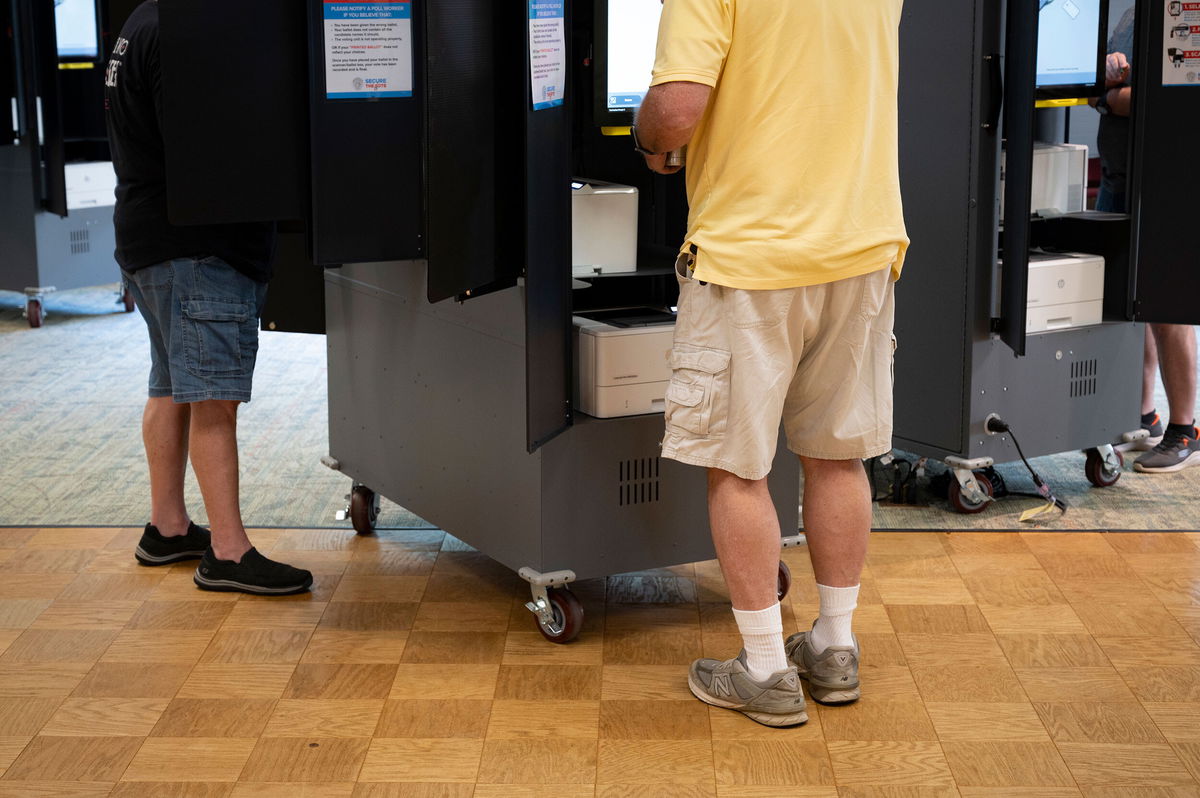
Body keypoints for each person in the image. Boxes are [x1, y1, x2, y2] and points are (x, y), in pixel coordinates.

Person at [632, 0, 908, 726]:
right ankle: (835, 646)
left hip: (753, 253)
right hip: (862, 243)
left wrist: (647, 135)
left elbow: (677, 111)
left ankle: (763, 669)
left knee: (738, 466)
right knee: (838, 457)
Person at [105, 0, 313, 594]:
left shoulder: (146, 19)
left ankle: (167, 528)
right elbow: (213, 149)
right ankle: (227, 552)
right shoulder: (192, 31)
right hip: (196, 251)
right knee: (213, 401)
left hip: (150, 238)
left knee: (170, 384)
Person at [1093, 7, 1200, 473]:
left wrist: (1113, 96)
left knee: (1166, 304)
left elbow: (1174, 97)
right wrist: (1109, 81)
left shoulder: (1189, 13)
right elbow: (1104, 84)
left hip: (1167, 176)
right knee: (1128, 299)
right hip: (1121, 174)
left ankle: (1185, 430)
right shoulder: (1133, 14)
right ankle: (1143, 417)